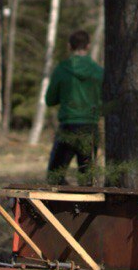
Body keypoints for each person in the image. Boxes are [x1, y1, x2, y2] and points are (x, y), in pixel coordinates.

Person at [45, 30, 104, 186]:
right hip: (90, 127)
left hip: (68, 127)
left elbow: (50, 100)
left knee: (55, 175)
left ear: (69, 46)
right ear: (88, 46)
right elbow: (106, 101)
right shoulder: (99, 72)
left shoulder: (62, 69)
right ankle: (84, 209)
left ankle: (62, 206)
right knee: (87, 178)